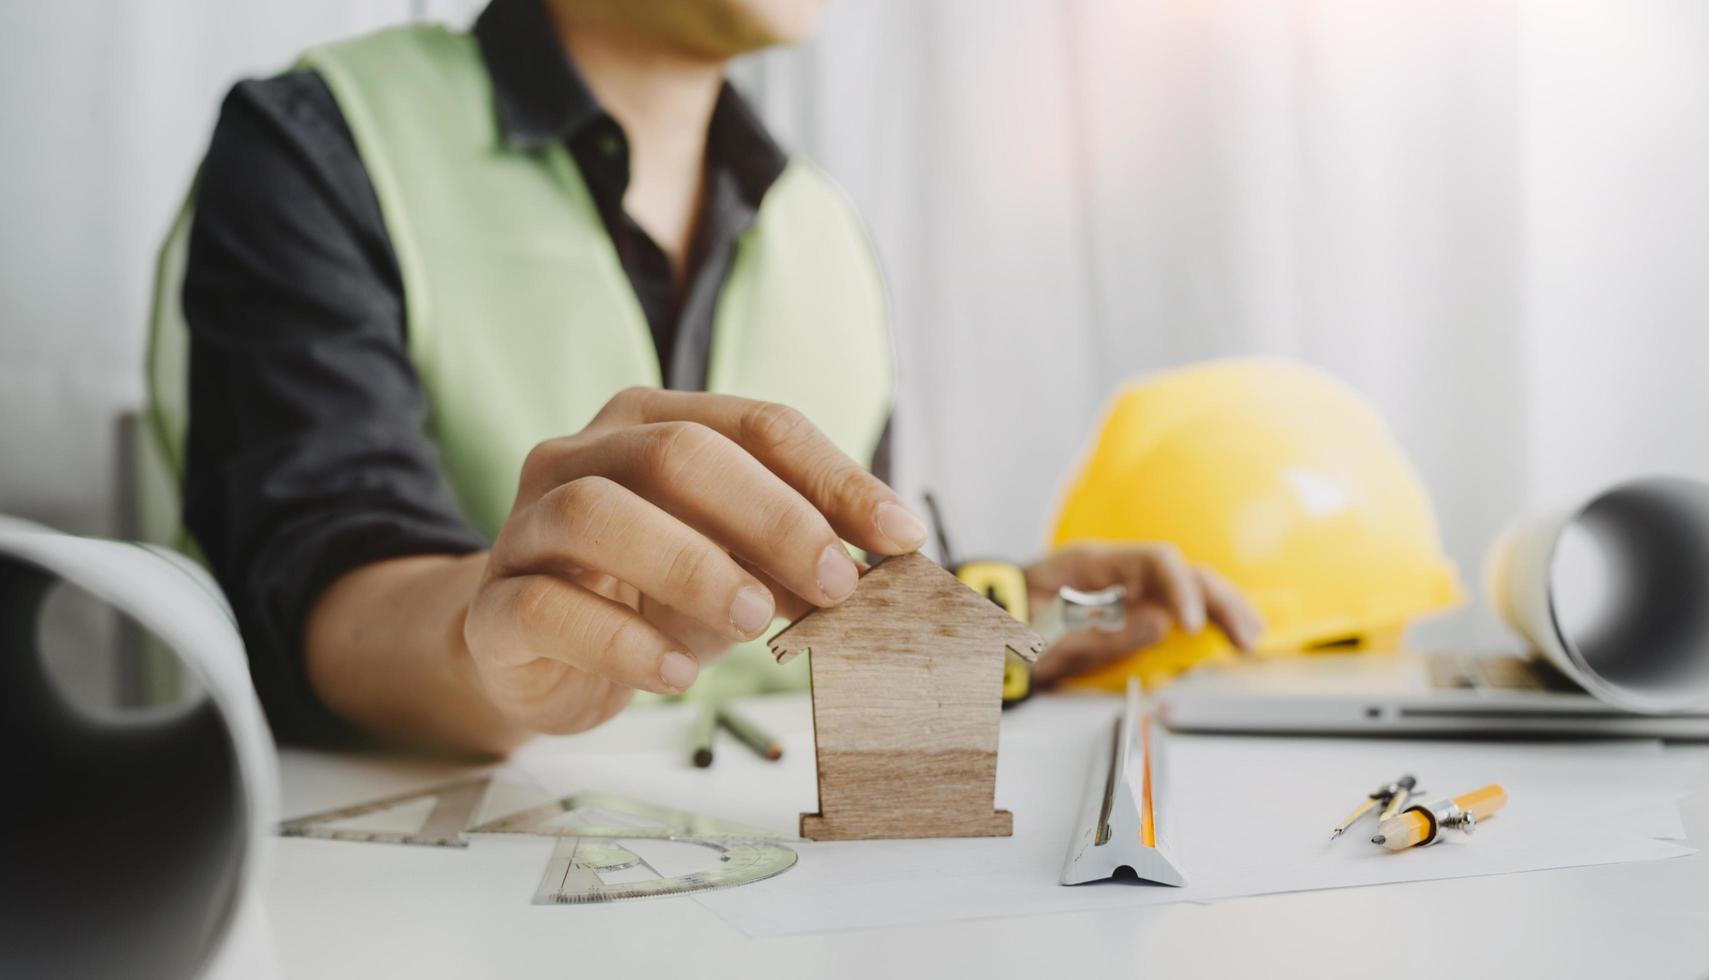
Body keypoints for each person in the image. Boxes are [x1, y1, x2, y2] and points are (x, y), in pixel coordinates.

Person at [174, 0, 1262, 755]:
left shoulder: (826, 232)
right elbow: (312, 570)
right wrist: (492, 645)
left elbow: (841, 601)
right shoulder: (318, 143)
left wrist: (1012, 612)